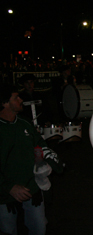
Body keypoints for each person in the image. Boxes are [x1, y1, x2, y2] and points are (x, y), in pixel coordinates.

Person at [0, 84, 63, 235]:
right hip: (5, 194)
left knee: (39, 228)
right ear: (4, 103)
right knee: (7, 231)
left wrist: (45, 163)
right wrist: (9, 187)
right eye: (16, 98)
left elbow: (39, 145)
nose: (21, 100)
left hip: (32, 188)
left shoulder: (24, 122)